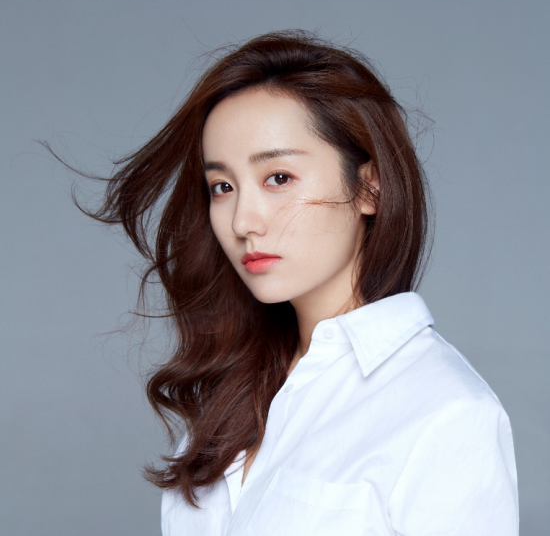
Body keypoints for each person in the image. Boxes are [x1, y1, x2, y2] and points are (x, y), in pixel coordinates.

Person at [48, 29, 519, 535]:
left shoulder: (447, 414)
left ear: (369, 188)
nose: (242, 221)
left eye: (278, 178)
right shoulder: (230, 400)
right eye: (222, 186)